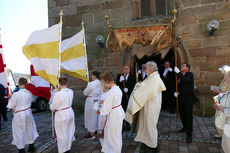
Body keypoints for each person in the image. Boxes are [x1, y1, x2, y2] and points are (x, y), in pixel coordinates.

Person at [125, 61, 166, 153]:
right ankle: (147, 142)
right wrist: (139, 85)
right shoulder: (151, 77)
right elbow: (145, 86)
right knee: (145, 124)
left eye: (146, 68)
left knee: (150, 125)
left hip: (151, 106)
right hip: (147, 105)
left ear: (151, 69)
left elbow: (147, 91)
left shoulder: (154, 79)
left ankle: (153, 146)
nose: (145, 70)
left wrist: (137, 88)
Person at [7, 78, 38, 153]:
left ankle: (21, 150)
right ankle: (32, 147)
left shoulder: (16, 94)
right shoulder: (29, 93)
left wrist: (10, 98)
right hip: (28, 112)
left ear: (19, 83)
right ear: (26, 84)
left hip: (20, 114)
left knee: (19, 131)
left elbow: (10, 105)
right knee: (29, 129)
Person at [99, 72, 125, 153]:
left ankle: (114, 151)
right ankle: (113, 150)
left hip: (114, 115)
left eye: (104, 83)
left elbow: (106, 108)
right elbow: (113, 102)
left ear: (108, 81)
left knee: (113, 135)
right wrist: (105, 102)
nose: (104, 85)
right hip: (118, 112)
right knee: (116, 134)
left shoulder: (111, 92)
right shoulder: (117, 89)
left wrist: (100, 110)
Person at [50, 77, 75, 153]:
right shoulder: (71, 91)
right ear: (67, 83)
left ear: (59, 84)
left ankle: (63, 150)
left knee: (61, 133)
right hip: (70, 112)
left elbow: (53, 107)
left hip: (61, 114)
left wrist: (51, 105)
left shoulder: (58, 94)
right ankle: (68, 147)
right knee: (69, 130)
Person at [174, 63, 196, 143]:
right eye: (181, 65)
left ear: (187, 68)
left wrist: (179, 73)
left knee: (188, 117)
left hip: (188, 99)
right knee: (182, 114)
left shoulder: (190, 74)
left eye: (183, 66)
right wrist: (177, 92)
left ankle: (189, 135)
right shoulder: (179, 75)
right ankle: (185, 127)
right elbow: (179, 85)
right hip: (181, 98)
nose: (181, 67)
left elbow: (186, 80)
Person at [212, 65, 230, 139]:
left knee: (222, 118)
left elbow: (226, 92)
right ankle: (221, 133)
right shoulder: (224, 80)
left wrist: (218, 91)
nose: (221, 74)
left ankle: (223, 134)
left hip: (224, 103)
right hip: (221, 100)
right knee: (218, 117)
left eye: (223, 72)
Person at [116, 65, 136, 130]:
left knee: (128, 111)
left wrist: (129, 89)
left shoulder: (132, 77)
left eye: (127, 69)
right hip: (121, 97)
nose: (126, 70)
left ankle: (128, 124)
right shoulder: (119, 76)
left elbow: (134, 86)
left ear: (129, 69)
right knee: (122, 111)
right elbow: (116, 85)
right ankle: (122, 125)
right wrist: (120, 82)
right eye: (124, 69)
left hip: (129, 97)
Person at [83, 71, 102, 139]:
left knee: (91, 116)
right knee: (96, 115)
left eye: (92, 75)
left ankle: (92, 133)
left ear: (94, 76)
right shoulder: (100, 83)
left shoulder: (91, 84)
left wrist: (84, 92)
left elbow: (85, 92)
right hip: (98, 99)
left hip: (91, 100)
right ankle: (96, 129)